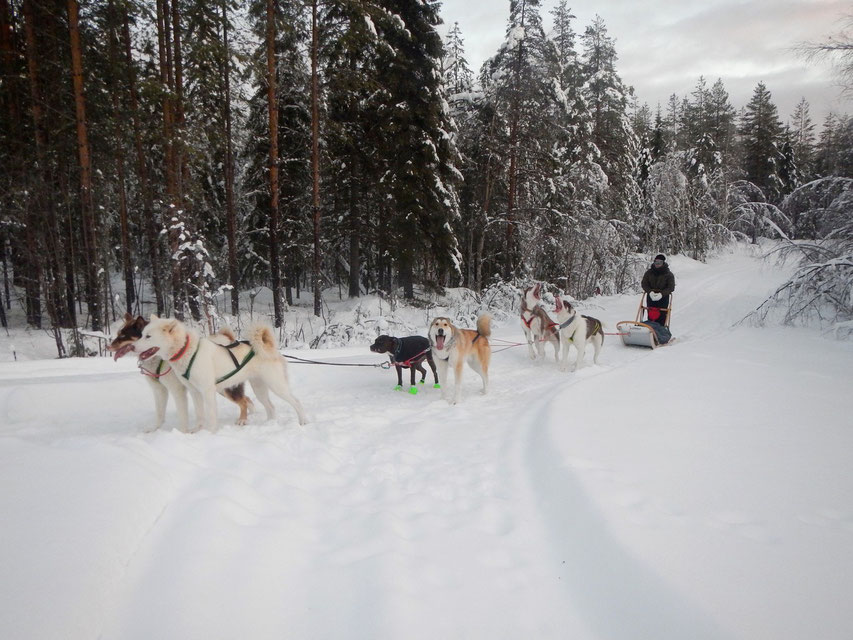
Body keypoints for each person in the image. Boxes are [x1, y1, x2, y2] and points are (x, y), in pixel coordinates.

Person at [641, 254, 675, 324]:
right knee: (651, 315)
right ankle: (650, 329)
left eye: (659, 263)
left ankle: (660, 331)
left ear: (663, 263)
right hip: (651, 297)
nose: (657, 264)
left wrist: (661, 294)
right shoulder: (649, 273)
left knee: (662, 316)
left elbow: (671, 287)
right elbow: (644, 284)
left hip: (663, 298)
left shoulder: (668, 274)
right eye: (656, 262)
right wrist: (650, 292)